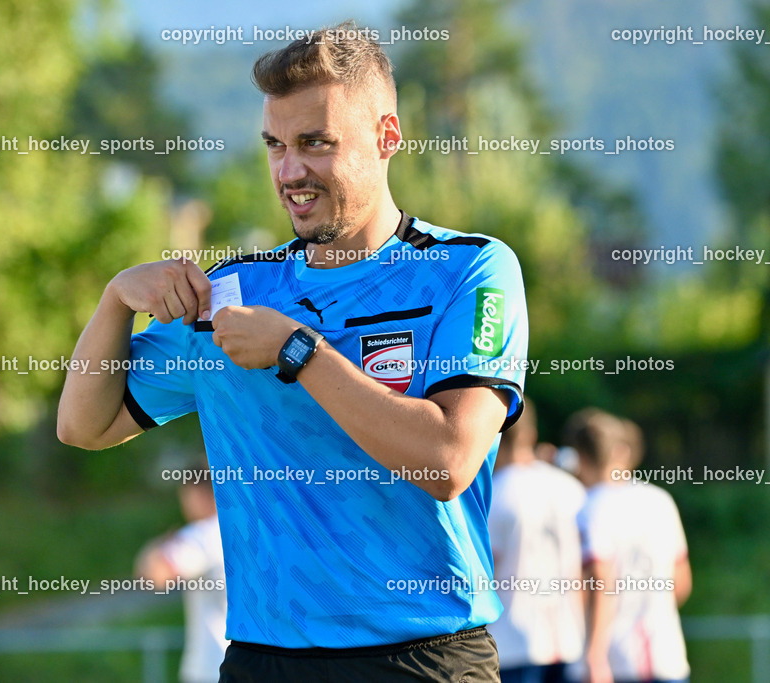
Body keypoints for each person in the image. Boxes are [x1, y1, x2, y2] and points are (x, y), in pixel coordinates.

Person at [57, 19, 528, 683]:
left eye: (316, 143)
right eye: (275, 145)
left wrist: (296, 350)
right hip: (262, 661)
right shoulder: (232, 292)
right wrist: (113, 302)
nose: (290, 171)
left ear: (387, 137)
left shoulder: (469, 268)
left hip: (422, 658)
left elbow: (448, 457)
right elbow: (84, 423)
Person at [564, 410, 691, 683]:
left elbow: (601, 581)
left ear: (580, 457)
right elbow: (681, 582)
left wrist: (595, 655)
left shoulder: (589, 508)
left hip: (614, 660)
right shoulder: (661, 500)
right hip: (667, 656)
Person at [487, 400, 586, 683]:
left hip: (510, 643)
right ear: (530, 433)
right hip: (569, 639)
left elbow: (482, 573)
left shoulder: (495, 493)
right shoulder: (572, 489)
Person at [134, 460, 227, 683]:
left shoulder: (203, 533)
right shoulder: (245, 531)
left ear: (196, 493)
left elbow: (154, 576)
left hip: (209, 668)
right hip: (248, 662)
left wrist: (158, 546)